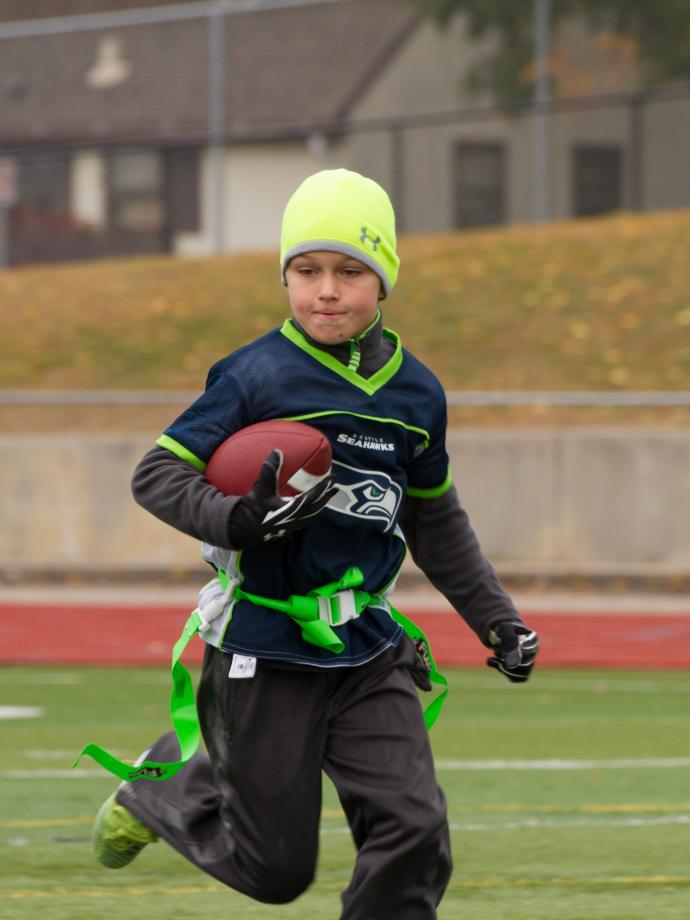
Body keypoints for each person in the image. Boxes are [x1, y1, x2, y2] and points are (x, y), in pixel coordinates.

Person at [92, 168, 538, 919]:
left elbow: (434, 519)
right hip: (264, 643)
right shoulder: (254, 375)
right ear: (286, 278)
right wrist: (236, 519)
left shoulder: (417, 395)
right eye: (306, 271)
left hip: (367, 647)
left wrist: (498, 620)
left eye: (349, 271)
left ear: (384, 280)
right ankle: (167, 783)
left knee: (416, 828)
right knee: (277, 874)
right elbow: (157, 473)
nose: (326, 290)